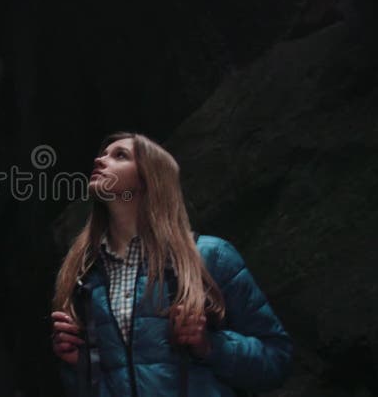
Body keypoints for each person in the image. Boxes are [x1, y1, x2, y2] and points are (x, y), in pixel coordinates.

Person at [50, 131, 293, 397]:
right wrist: (80, 366)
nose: (100, 160)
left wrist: (209, 345)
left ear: (150, 178)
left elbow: (277, 361)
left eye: (120, 155)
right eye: (102, 154)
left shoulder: (210, 256)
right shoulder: (85, 274)